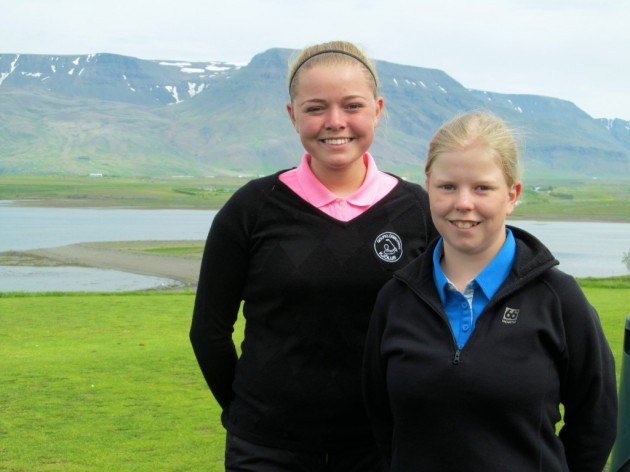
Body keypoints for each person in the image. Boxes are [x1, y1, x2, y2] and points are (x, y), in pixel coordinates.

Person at [189, 40, 437, 472]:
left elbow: (445, 328)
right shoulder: (252, 208)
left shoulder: (417, 209)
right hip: (266, 450)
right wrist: (246, 413)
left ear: (377, 110)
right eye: (316, 108)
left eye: (352, 105)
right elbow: (208, 332)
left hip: (381, 448)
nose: (335, 121)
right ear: (293, 115)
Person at [362, 111, 618, 471]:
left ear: (512, 195)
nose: (463, 203)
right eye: (448, 186)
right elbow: (382, 422)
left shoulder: (558, 298)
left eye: (482, 188)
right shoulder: (396, 299)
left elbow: (595, 421)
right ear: (428, 187)